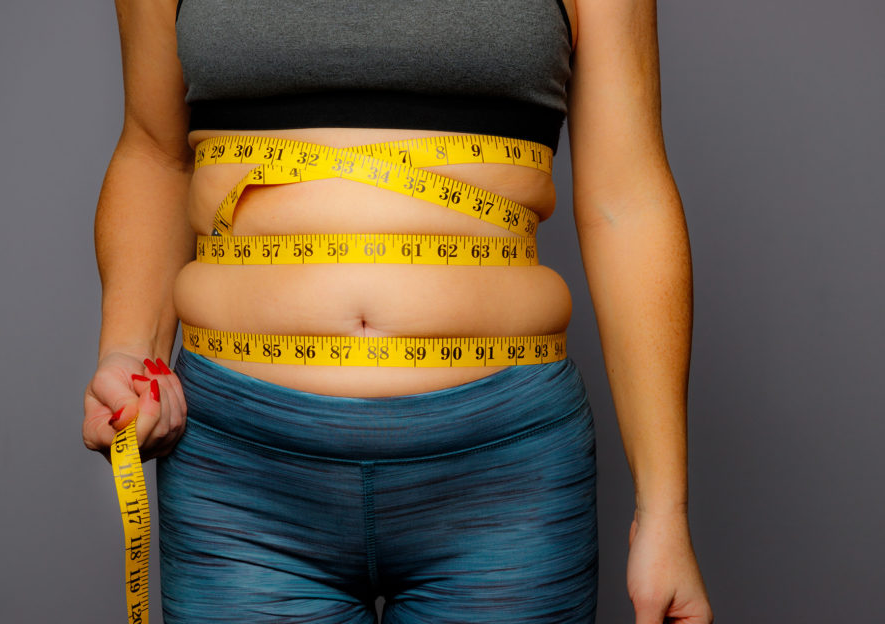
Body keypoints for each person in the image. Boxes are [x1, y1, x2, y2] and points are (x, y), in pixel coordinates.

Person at [83, 0, 712, 622]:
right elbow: (155, 152)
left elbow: (625, 196)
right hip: (238, 475)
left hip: (506, 475)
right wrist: (126, 350)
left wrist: (664, 510)